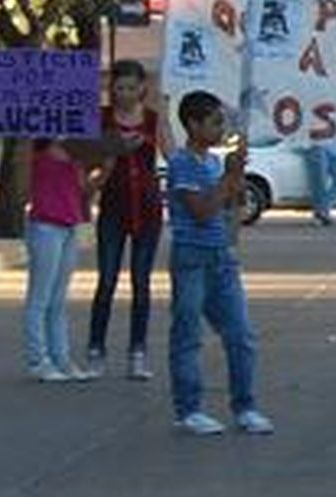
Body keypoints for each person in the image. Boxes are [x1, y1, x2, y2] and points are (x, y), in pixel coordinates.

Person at [166, 91, 274, 436]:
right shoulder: (183, 164)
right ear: (193, 125)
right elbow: (201, 211)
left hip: (221, 257)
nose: (219, 128)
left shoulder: (213, 162)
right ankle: (189, 408)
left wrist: (236, 184)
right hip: (191, 258)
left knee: (241, 335)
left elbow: (229, 210)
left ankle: (245, 406)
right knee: (188, 334)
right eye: (213, 122)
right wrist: (228, 180)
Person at [86, 60, 169, 380]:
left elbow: (172, 152)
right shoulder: (102, 118)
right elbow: (89, 159)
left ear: (142, 89)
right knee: (106, 281)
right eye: (119, 88)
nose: (125, 94)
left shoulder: (152, 120)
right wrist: (114, 149)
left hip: (147, 208)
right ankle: (96, 348)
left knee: (141, 283)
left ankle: (138, 351)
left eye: (131, 88)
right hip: (113, 207)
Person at [23, 139, 98, 383]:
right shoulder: (39, 150)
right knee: (40, 296)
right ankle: (38, 360)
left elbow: (84, 189)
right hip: (45, 225)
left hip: (69, 225)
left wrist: (103, 168)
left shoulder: (76, 153)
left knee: (58, 299)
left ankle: (62, 358)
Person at [303, 140, 336, 225]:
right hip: (315, 146)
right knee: (319, 184)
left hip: (332, 146)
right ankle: (322, 213)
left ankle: (321, 210)